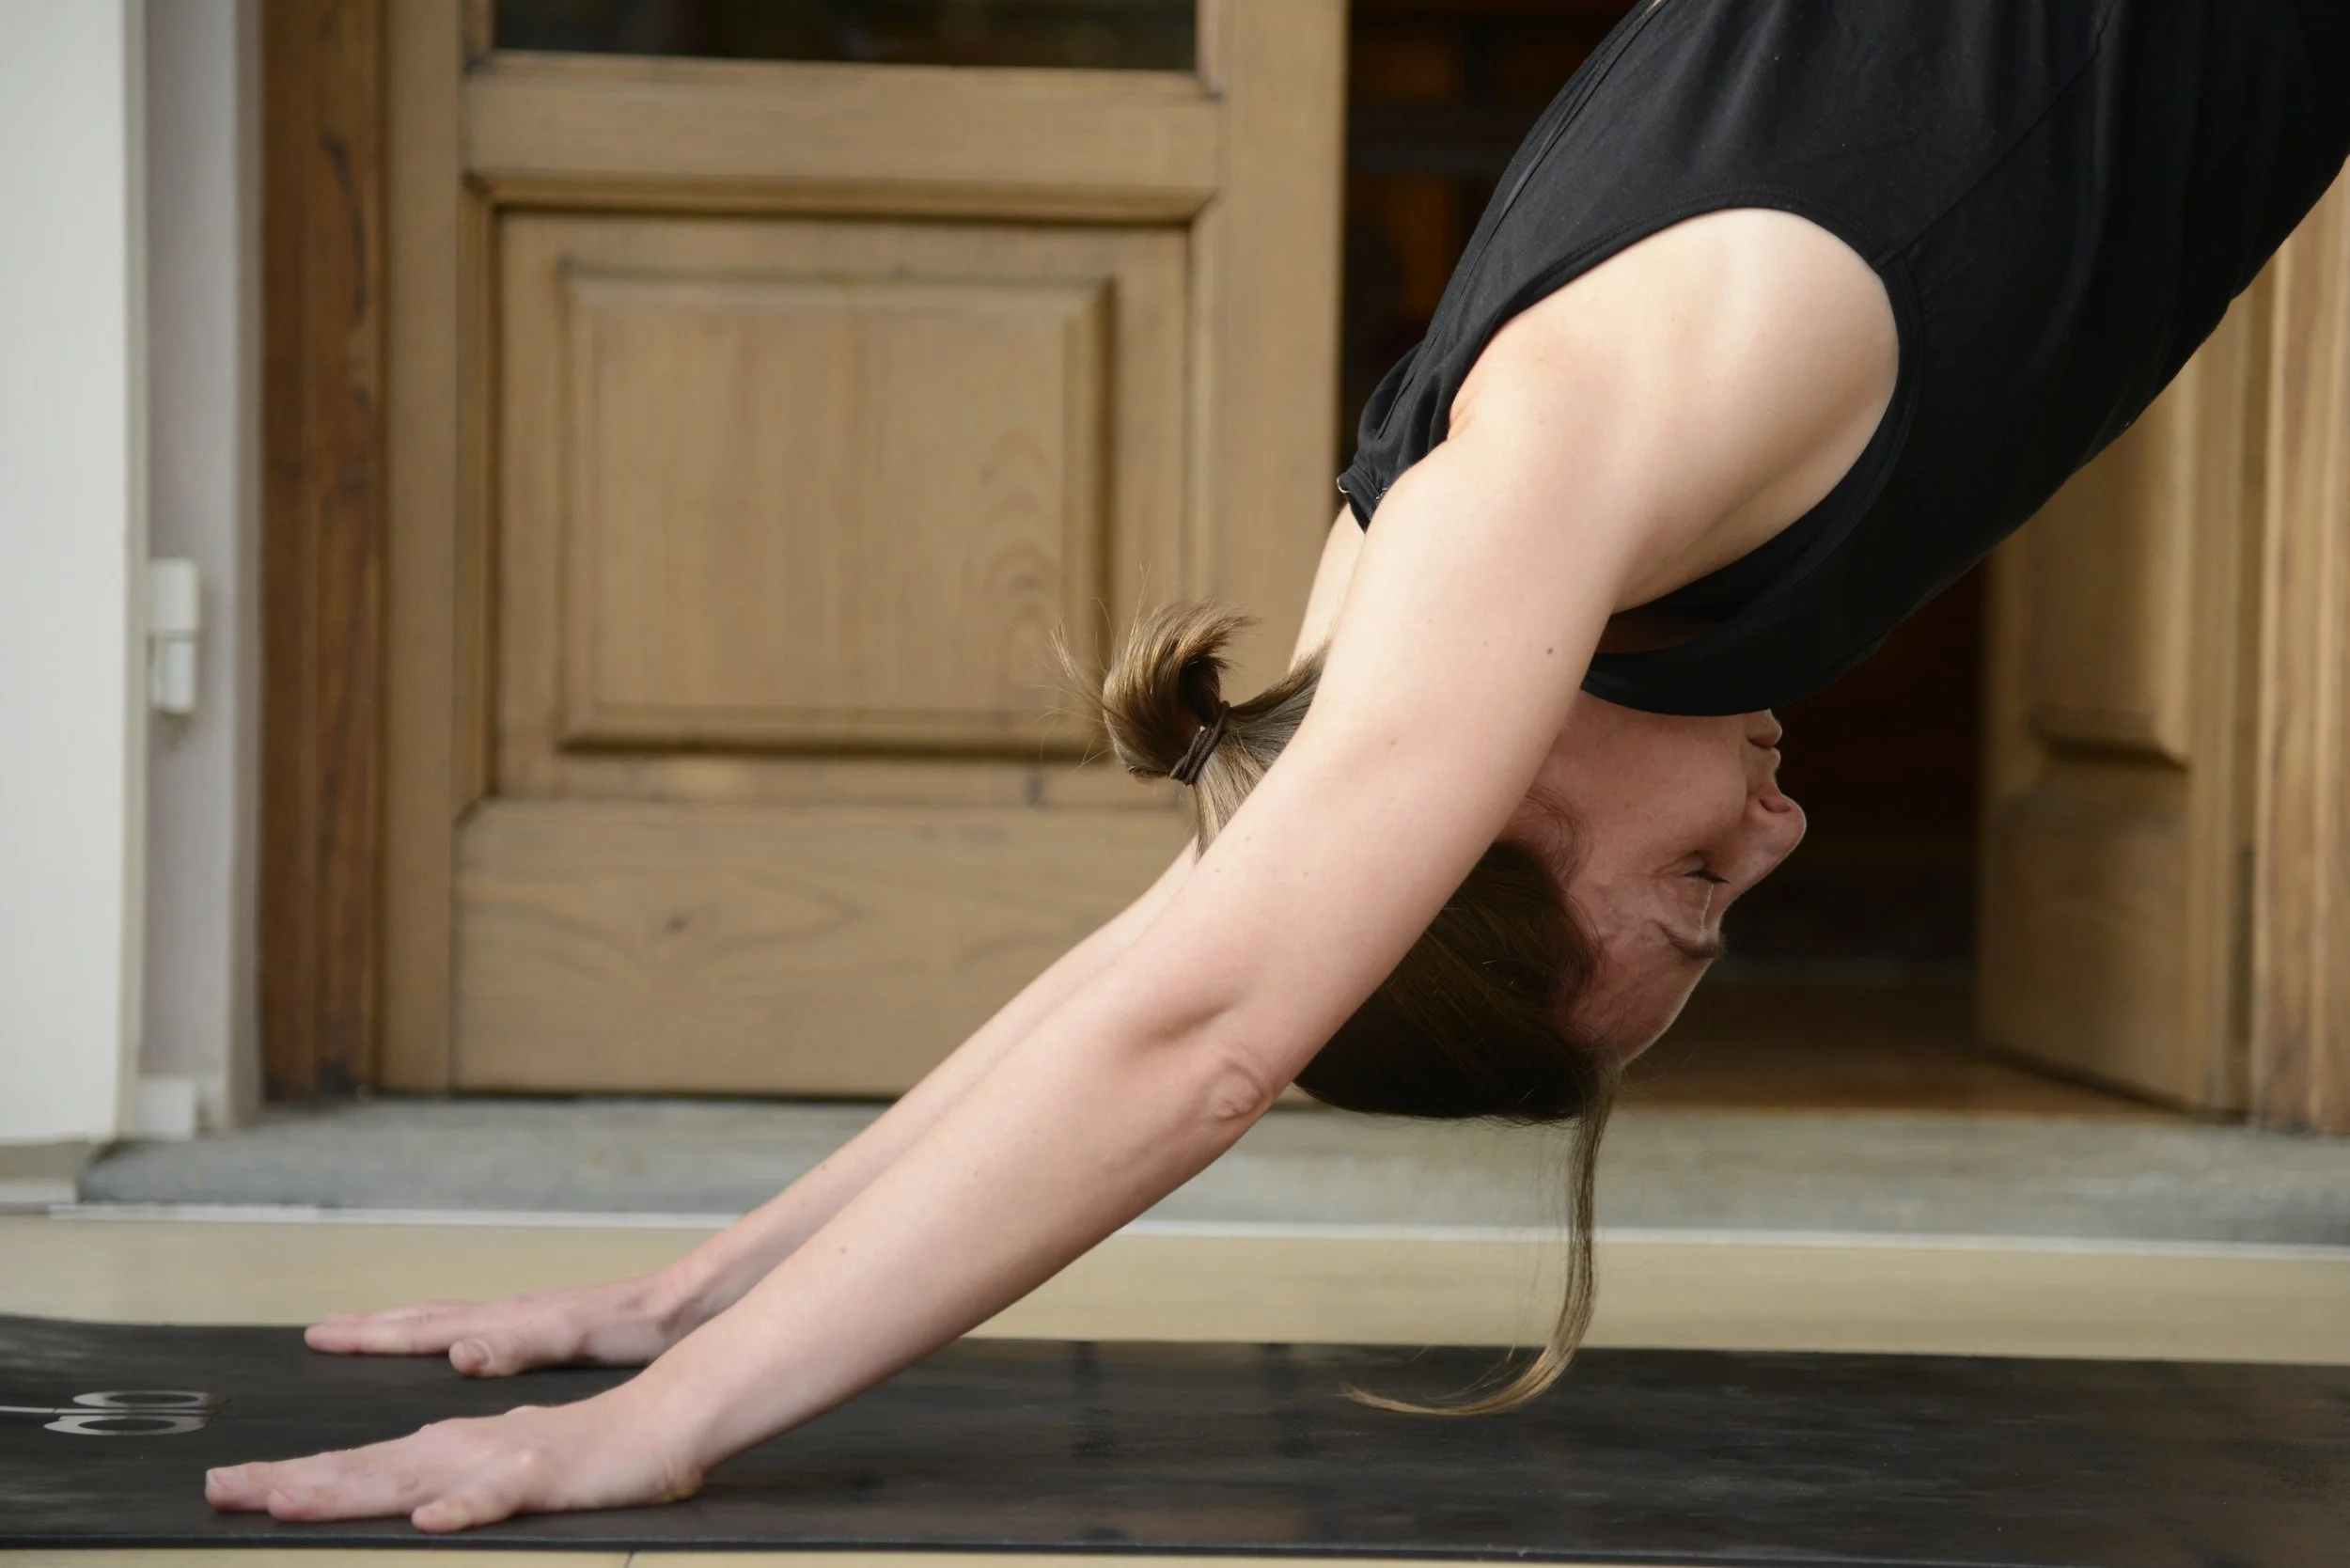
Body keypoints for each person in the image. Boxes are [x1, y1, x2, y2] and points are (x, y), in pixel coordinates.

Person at [208, 0, 2349, 1532]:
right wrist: (682, 1277)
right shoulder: (1427, 548)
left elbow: (1203, 1018)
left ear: (1482, 837)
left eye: (1692, 898)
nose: (1775, 828)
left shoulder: (1542, 487)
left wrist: (651, 1417)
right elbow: (1175, 937)